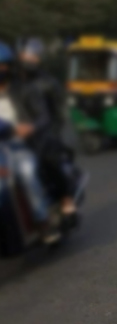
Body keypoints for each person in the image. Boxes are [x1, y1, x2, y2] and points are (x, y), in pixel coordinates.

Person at [19, 38, 79, 216]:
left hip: (47, 132)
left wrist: (52, 132)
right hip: (17, 134)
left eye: (33, 56)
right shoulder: (15, 83)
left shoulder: (48, 82)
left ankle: (66, 199)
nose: (29, 60)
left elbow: (60, 111)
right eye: (26, 55)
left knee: (49, 160)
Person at [0, 41, 52, 237]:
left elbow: (43, 117)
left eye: (2, 65)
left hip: (19, 146)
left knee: (28, 173)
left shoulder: (24, 90)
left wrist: (30, 127)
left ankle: (42, 219)